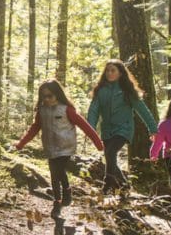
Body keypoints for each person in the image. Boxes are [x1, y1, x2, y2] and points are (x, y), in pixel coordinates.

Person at [14, 79, 104, 209]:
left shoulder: (66, 110)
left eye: (50, 96)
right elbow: (34, 128)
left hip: (65, 147)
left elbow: (85, 126)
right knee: (53, 172)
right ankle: (57, 199)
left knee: (59, 170)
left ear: (57, 94)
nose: (47, 99)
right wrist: (21, 144)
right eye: (44, 96)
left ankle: (67, 192)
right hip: (50, 146)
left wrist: (98, 143)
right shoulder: (42, 111)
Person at [86, 59, 159, 195]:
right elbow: (94, 110)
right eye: (107, 70)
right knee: (109, 155)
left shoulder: (127, 90)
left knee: (111, 152)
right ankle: (124, 185)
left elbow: (142, 110)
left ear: (120, 73)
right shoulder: (100, 90)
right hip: (107, 130)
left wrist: (153, 129)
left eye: (113, 70)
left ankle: (107, 185)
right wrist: (90, 129)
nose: (109, 73)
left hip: (124, 129)